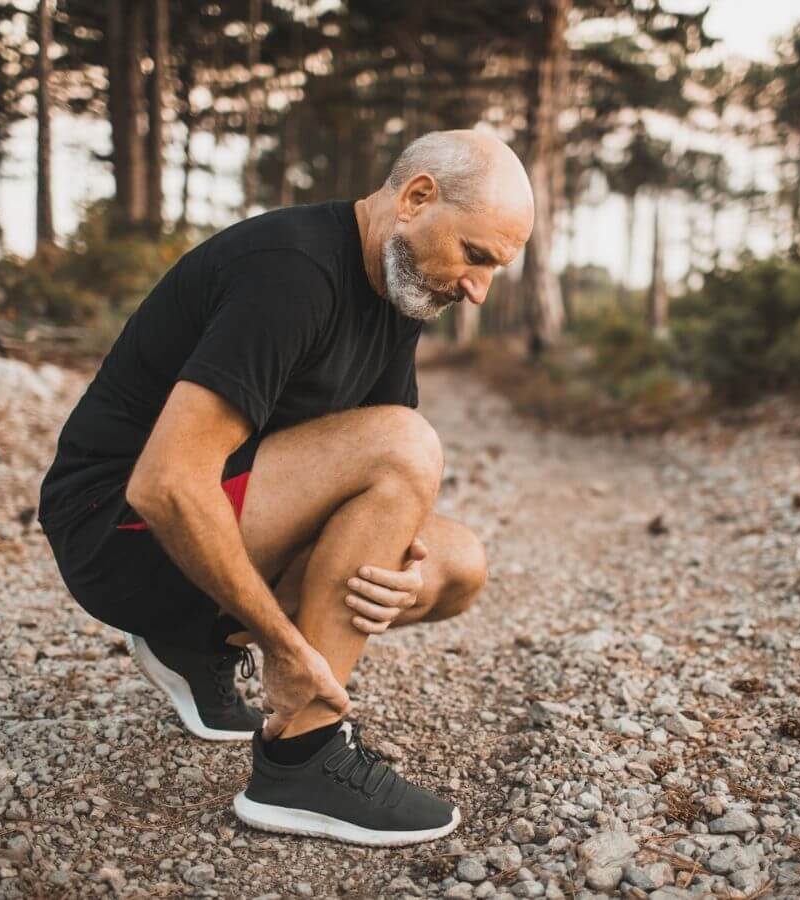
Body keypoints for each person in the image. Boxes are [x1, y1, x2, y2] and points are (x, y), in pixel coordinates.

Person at [37, 128, 534, 846]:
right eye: (475, 255)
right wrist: (285, 647)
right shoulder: (290, 271)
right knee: (405, 445)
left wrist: (399, 563)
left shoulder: (398, 292)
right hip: (116, 535)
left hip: (212, 525)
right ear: (416, 198)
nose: (478, 290)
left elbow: (369, 492)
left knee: (459, 566)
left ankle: (196, 644)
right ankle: (302, 757)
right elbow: (166, 483)